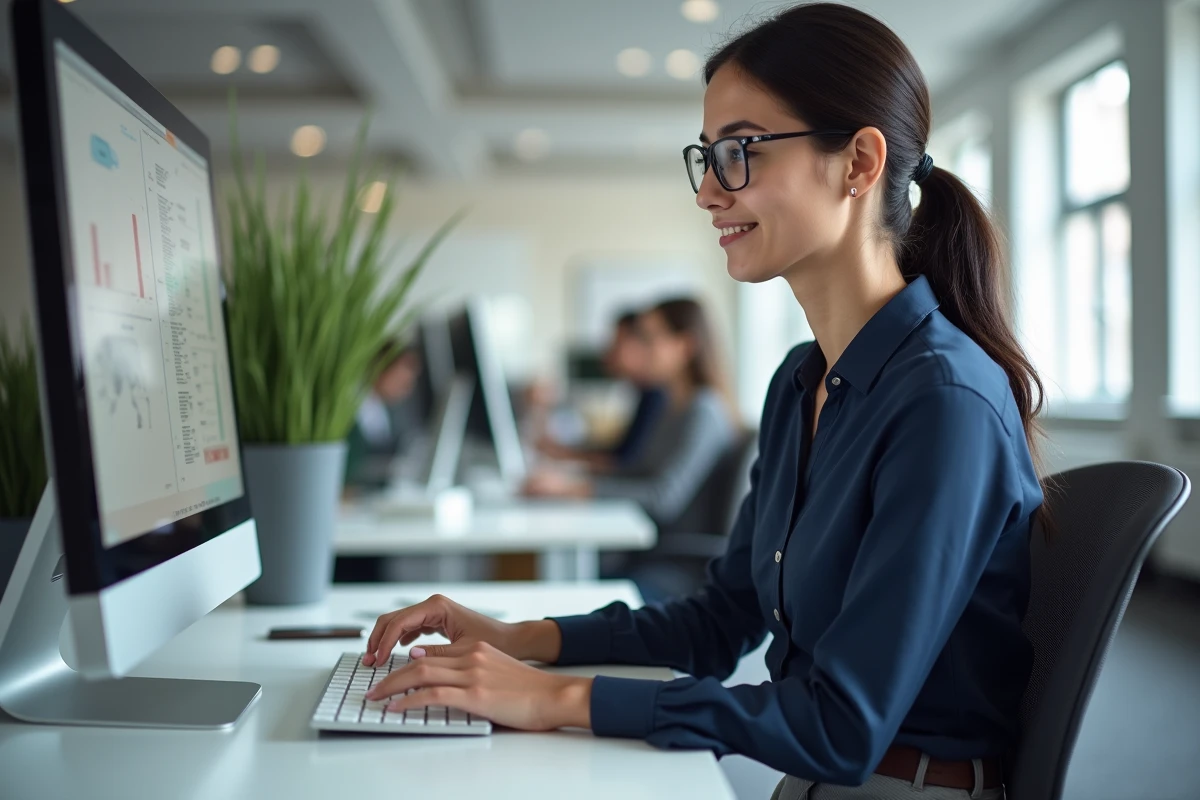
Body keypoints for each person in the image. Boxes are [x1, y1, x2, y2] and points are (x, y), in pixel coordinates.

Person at [358, 5, 1047, 799]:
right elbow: (722, 621)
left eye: (740, 152)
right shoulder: (802, 381)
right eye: (707, 157)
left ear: (858, 163)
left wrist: (554, 698)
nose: (709, 192)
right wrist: (518, 639)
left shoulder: (943, 402)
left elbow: (840, 726)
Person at [523, 298, 736, 531]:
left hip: (666, 553)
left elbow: (663, 499)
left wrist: (576, 489)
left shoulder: (703, 412)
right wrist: (570, 483)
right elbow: (636, 471)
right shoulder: (671, 406)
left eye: (648, 339)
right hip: (643, 540)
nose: (638, 350)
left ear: (685, 346)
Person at [536, 310, 667, 472]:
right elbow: (619, 453)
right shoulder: (643, 393)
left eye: (617, 342)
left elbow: (624, 463)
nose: (609, 350)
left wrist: (566, 461)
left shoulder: (658, 397)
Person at [343, 342, 422, 490]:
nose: (407, 388)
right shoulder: (349, 408)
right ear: (380, 367)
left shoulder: (385, 412)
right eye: (402, 380)